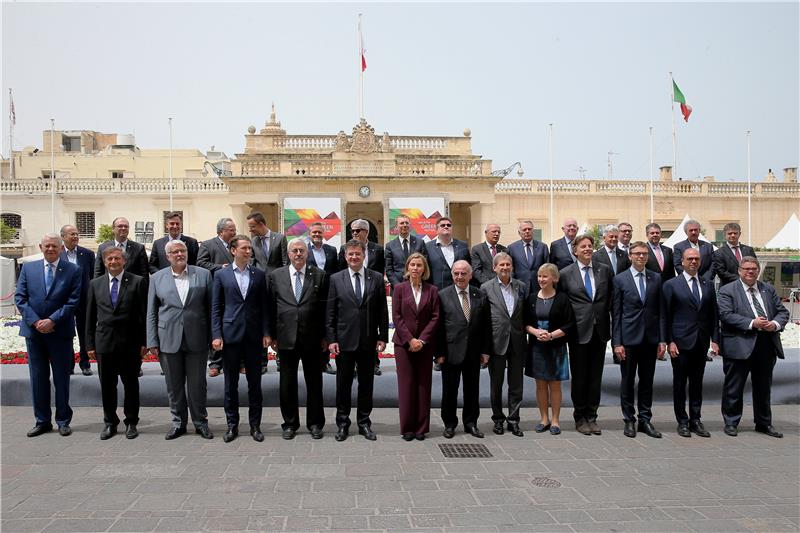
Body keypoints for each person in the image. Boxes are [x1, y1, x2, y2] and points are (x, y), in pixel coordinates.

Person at [146, 239, 214, 440]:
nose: (179, 254)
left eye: (182, 250)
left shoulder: (203, 275)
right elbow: (151, 311)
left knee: (197, 385)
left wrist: (213, 336)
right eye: (174, 252)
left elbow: (211, 308)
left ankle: (201, 422)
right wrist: (152, 341)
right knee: (173, 385)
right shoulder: (157, 278)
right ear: (167, 256)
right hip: (168, 338)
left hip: (197, 337)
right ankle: (178, 423)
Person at [15, 233, 81, 437]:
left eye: (54, 246)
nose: (50, 249)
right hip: (34, 334)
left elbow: (73, 300)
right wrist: (36, 321)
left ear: (61, 248)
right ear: (40, 247)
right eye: (47, 246)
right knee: (38, 377)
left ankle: (63, 420)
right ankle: (42, 420)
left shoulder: (73, 270)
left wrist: (52, 320)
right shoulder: (28, 268)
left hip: (59, 331)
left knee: (61, 378)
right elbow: (20, 297)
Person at [718, 256, 789, 438]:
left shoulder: (768, 289)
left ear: (758, 271)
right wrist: (752, 323)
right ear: (739, 271)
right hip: (739, 344)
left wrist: (774, 324)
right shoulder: (727, 290)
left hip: (766, 345)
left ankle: (764, 423)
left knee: (763, 387)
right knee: (734, 387)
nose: (750, 272)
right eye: (747, 269)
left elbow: (783, 311)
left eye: (754, 269)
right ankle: (731, 422)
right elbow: (726, 315)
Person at [326, 239, 389, 441]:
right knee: (343, 385)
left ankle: (364, 423)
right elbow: (330, 312)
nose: (354, 257)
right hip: (343, 342)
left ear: (364, 256)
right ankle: (342, 423)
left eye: (357, 254)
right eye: (350, 254)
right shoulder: (336, 279)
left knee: (366, 384)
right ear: (345, 257)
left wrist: (382, 336)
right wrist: (332, 339)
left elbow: (382, 310)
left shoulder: (376, 278)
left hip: (368, 341)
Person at [268, 238, 329, 440]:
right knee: (287, 383)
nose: (298, 254)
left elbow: (325, 310)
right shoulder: (276, 276)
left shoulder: (319, 275)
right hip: (285, 338)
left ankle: (315, 423)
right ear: (289, 253)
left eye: (302, 250)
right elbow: (271, 307)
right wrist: (271, 335)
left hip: (312, 339)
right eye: (294, 250)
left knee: (314, 383)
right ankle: (290, 424)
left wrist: (326, 337)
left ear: (308, 253)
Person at [85, 246, 148, 440]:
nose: (113, 262)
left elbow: (144, 314)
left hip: (130, 343)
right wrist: (89, 345)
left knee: (131, 384)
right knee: (107, 385)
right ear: (104, 262)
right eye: (109, 259)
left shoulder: (137, 282)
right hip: (104, 342)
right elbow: (89, 316)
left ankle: (131, 422)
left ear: (124, 261)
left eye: (117, 259)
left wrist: (145, 342)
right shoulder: (95, 284)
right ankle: (110, 422)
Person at [211, 235, 269, 443]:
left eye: (249, 248)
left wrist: (266, 333)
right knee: (230, 384)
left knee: (255, 384)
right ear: (233, 250)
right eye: (244, 248)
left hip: (254, 337)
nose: (248, 251)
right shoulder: (221, 275)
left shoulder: (259, 275)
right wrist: (216, 334)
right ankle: (232, 425)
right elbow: (216, 307)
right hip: (231, 336)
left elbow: (264, 307)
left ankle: (255, 425)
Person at [558, 234, 613, 435]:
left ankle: (592, 416)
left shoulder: (604, 270)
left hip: (599, 331)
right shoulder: (565, 274)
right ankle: (580, 417)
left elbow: (609, 299)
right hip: (578, 332)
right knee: (580, 377)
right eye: (583, 246)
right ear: (575, 250)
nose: (588, 249)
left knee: (595, 378)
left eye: (590, 246)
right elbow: (562, 305)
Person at [612, 241, 667, 439]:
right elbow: (616, 314)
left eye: (644, 253)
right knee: (627, 381)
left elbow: (661, 312)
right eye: (637, 253)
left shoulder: (656, 278)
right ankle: (629, 420)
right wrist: (617, 343)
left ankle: (645, 419)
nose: (641, 257)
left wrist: (662, 340)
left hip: (651, 339)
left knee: (647, 381)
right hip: (628, 339)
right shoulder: (620, 280)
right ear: (630, 256)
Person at [663, 248, 719, 438]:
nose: (693, 262)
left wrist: (715, 340)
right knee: (680, 384)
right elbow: (666, 316)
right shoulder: (671, 285)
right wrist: (670, 341)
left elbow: (714, 315)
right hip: (680, 343)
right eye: (690, 259)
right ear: (683, 262)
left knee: (697, 383)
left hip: (701, 342)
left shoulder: (708, 284)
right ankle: (683, 421)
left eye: (696, 259)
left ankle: (696, 419)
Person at [437, 261, 491, 439]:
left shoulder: (480, 295)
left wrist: (485, 351)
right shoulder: (443, 295)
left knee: (472, 390)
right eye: (456, 273)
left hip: (473, 352)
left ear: (470, 275)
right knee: (450, 391)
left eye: (463, 273)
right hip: (451, 352)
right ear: (452, 275)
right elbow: (439, 327)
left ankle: (471, 423)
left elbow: (486, 326)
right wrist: (439, 353)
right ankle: (450, 424)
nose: (459, 277)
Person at [392, 252, 440, 441]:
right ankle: (407, 428)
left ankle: (421, 428)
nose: (415, 268)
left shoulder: (432, 290)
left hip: (425, 346)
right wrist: (410, 340)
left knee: (423, 385)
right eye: (412, 264)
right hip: (403, 345)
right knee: (406, 386)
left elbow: (436, 316)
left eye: (419, 265)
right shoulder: (399, 289)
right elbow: (396, 316)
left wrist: (422, 340)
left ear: (424, 269)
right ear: (407, 267)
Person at [481, 252, 528, 437]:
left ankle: (514, 420)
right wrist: (484, 348)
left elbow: (524, 315)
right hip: (496, 342)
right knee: (496, 384)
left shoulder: (521, 287)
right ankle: (498, 419)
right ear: (494, 268)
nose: (505, 267)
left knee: (516, 385)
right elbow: (484, 319)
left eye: (508, 264)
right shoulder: (486, 288)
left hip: (517, 342)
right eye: (501, 265)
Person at [525, 263, 574, 436]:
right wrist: (535, 332)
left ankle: (555, 420)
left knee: (555, 385)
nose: (541, 279)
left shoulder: (562, 298)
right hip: (537, 347)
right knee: (540, 385)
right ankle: (544, 419)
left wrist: (552, 335)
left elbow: (569, 324)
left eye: (545, 276)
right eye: (539, 276)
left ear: (554, 278)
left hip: (556, 346)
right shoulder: (531, 298)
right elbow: (525, 323)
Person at [338, 219, 386, 376]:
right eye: (352, 230)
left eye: (358, 230)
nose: (354, 233)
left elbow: (379, 270)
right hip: (350, 294)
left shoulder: (378, 249)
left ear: (366, 232)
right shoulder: (344, 248)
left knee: (369, 331)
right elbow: (340, 271)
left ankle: (374, 363)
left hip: (370, 291)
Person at [197, 217, 237, 377]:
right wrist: (220, 267)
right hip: (216, 290)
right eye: (231, 230)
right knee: (216, 326)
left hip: (234, 292)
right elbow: (200, 263)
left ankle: (237, 362)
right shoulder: (208, 244)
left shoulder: (236, 245)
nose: (234, 232)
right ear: (222, 231)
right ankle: (215, 363)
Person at [60, 224, 96, 376]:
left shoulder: (87, 254)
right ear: (63, 237)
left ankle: (85, 363)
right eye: (71, 234)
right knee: (67, 333)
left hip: (83, 299)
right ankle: (68, 365)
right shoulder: (57, 253)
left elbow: (94, 276)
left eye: (76, 234)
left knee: (84, 332)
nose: (75, 237)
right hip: (63, 301)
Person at [304, 221, 339, 375]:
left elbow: (336, 270)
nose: (317, 235)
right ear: (309, 234)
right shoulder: (304, 250)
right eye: (314, 232)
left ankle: (325, 361)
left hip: (329, 293)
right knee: (313, 326)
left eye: (319, 232)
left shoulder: (331, 250)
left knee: (328, 325)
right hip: (310, 294)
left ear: (323, 234)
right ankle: (314, 361)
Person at [425, 216, 470, 290]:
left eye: (449, 225)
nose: (446, 227)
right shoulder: (427, 247)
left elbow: (469, 267)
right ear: (436, 230)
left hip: (459, 290)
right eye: (442, 225)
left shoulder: (462, 245)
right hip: (437, 291)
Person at [385, 215, 427, 289]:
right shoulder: (390, 246)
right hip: (397, 287)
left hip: (417, 286)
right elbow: (389, 270)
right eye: (402, 223)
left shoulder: (420, 243)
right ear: (396, 227)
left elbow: (425, 264)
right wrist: (398, 286)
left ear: (410, 226)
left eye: (407, 223)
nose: (405, 225)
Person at [507, 220, 549, 290]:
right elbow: (510, 269)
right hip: (519, 287)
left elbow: (547, 268)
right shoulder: (511, 248)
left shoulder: (542, 247)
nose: (527, 231)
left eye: (529, 229)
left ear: (533, 231)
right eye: (524, 230)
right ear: (519, 233)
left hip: (539, 287)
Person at [712, 222, 757, 287]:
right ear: (724, 235)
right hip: (729, 287)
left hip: (749, 286)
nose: (732, 235)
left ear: (739, 234)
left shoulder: (749, 250)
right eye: (729, 233)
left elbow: (755, 266)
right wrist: (742, 279)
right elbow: (721, 272)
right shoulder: (719, 253)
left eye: (735, 233)